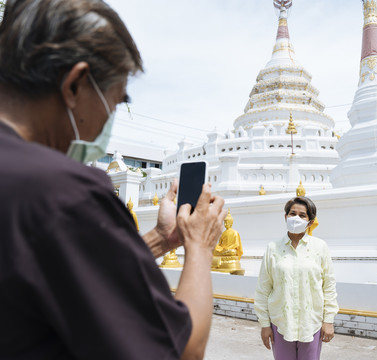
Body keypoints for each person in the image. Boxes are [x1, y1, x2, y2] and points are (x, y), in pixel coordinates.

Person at [0, 1, 226, 359]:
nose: (108, 122)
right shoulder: (62, 191)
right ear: (74, 84)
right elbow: (182, 349)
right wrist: (198, 246)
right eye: (116, 102)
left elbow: (57, 270)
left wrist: (159, 240)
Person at [254, 197, 338, 360]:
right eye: (292, 214)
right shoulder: (273, 248)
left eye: (302, 215)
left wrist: (328, 320)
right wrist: (264, 324)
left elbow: (329, 286)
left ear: (310, 221)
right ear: (285, 217)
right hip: (281, 324)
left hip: (311, 324)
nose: (296, 218)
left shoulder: (320, 247)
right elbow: (263, 289)